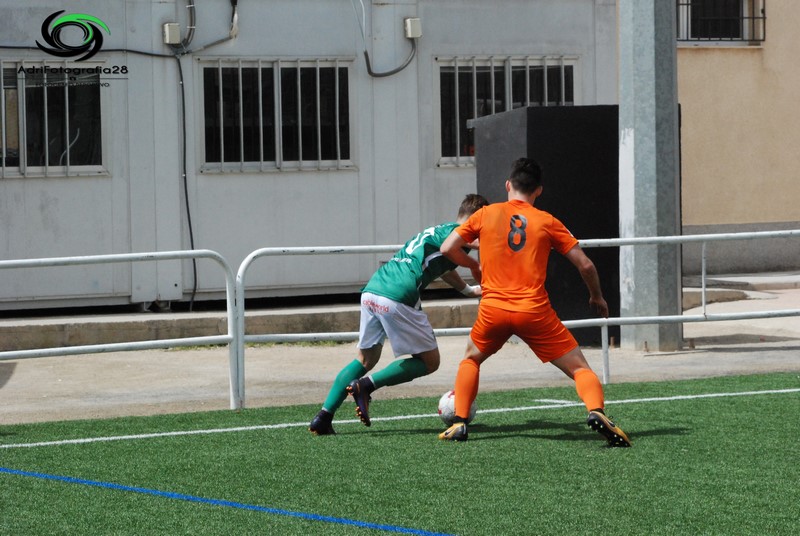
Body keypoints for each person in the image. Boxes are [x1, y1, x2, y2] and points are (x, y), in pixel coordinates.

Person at [437, 158, 630, 447]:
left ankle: (459, 423)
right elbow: (586, 265)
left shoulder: (486, 214)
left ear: (508, 185)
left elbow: (447, 248)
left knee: (471, 359)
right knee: (580, 368)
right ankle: (596, 411)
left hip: (494, 310)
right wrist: (596, 296)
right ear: (538, 191)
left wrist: (474, 266)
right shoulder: (547, 221)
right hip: (534, 311)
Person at [309, 193, 490, 435]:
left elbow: (445, 267)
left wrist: (468, 290)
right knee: (430, 362)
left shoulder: (441, 230)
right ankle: (366, 386)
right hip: (398, 293)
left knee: (365, 359)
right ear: (478, 219)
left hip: (373, 289)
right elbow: (466, 247)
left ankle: (323, 417)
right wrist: (480, 260)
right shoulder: (461, 235)